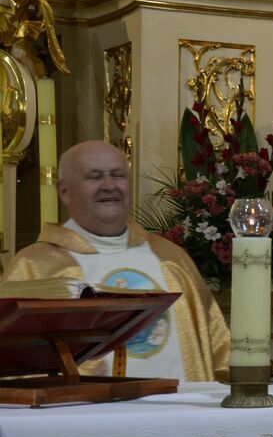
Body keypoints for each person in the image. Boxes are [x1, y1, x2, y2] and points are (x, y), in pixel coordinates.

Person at [2, 140, 229, 381]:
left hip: (183, 402)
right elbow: (13, 363)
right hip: (83, 405)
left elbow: (218, 345)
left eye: (118, 175)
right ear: (64, 191)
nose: (109, 186)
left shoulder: (170, 258)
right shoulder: (35, 267)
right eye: (94, 177)